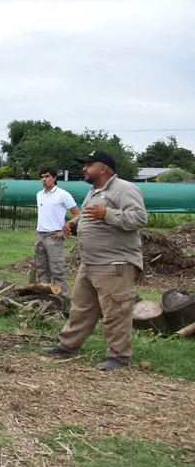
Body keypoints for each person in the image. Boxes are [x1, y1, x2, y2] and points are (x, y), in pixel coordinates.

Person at [41, 150, 148, 371]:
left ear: (104, 168)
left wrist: (107, 214)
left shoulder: (125, 189)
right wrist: (74, 222)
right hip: (90, 262)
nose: (84, 168)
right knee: (81, 307)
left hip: (114, 262)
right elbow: (90, 213)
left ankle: (119, 357)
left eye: (89, 164)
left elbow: (139, 218)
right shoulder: (94, 191)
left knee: (116, 311)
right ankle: (68, 345)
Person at [34, 167, 80, 294]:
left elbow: (77, 214)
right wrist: (38, 229)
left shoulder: (62, 194)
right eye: (42, 177)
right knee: (42, 269)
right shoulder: (40, 194)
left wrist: (64, 231)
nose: (44, 179)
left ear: (54, 178)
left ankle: (63, 298)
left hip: (54, 237)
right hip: (40, 236)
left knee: (57, 269)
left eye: (47, 176)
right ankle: (45, 296)